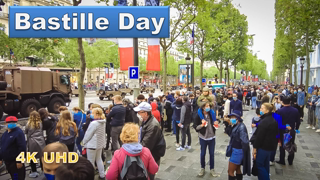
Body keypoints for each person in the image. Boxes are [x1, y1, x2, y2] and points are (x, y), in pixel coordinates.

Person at [134, 102, 165, 180]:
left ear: (146, 113)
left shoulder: (153, 125)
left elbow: (146, 144)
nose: (138, 114)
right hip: (149, 152)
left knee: (149, 175)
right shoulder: (145, 120)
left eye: (139, 112)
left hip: (153, 154)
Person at [252, 103, 278, 180]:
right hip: (269, 147)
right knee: (265, 165)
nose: (260, 110)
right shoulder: (271, 119)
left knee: (259, 165)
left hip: (263, 147)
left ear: (267, 110)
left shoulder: (265, 121)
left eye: (262, 108)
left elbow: (259, 137)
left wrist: (255, 149)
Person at [193, 102, 218, 177]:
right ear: (203, 107)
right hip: (203, 137)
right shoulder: (198, 115)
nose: (208, 107)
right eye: (206, 106)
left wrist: (216, 123)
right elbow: (196, 128)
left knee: (212, 154)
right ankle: (202, 168)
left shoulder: (212, 113)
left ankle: (212, 169)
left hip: (212, 137)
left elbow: (215, 122)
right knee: (203, 153)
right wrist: (201, 125)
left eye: (209, 106)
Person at [83, 107, 106, 179]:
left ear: (96, 114)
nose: (91, 114)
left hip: (92, 145)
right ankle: (102, 175)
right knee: (99, 159)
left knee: (90, 162)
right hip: (100, 144)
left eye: (92, 113)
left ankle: (91, 176)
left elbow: (88, 134)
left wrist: (84, 142)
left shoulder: (93, 123)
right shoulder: (103, 122)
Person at [226, 111, 251, 180]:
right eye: (231, 117)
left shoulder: (241, 127)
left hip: (237, 151)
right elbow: (230, 134)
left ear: (238, 118)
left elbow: (245, 141)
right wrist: (229, 125)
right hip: (236, 150)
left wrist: (243, 152)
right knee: (237, 169)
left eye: (233, 117)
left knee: (230, 171)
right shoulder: (236, 125)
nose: (231, 119)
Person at [276, 97, 300, 165]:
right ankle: (290, 160)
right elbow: (298, 121)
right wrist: (296, 128)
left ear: (282, 102)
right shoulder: (295, 110)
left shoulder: (280, 111)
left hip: (282, 130)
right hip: (291, 130)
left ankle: (282, 160)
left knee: (282, 145)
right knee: (291, 144)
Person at [26, 111, 46, 178]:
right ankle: (43, 170)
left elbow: (26, 131)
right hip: (41, 141)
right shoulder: (40, 123)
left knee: (32, 157)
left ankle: (34, 171)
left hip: (32, 142)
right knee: (41, 156)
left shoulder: (28, 124)